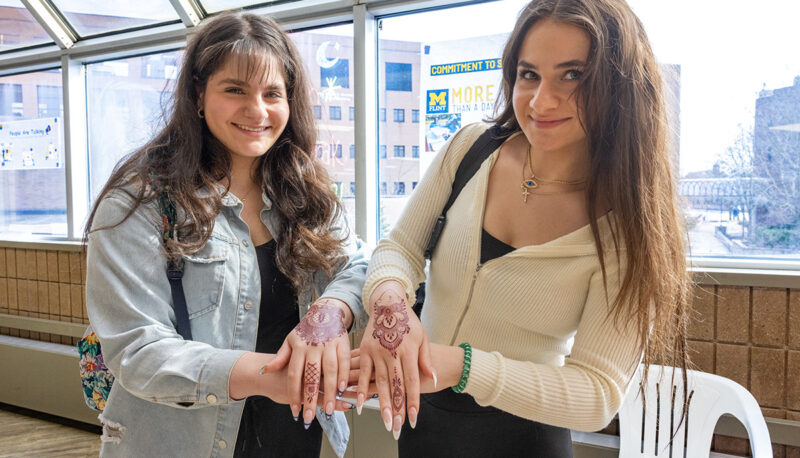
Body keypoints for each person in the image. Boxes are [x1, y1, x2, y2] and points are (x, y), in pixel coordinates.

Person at [354, 0, 692, 456]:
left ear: (619, 87)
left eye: (573, 75)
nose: (541, 100)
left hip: (524, 437)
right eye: (529, 74)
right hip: (422, 425)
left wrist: (460, 366)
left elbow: (596, 396)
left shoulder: (629, 226)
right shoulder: (471, 149)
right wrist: (389, 304)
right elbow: (400, 248)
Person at [84, 11, 367, 458]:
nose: (257, 110)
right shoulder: (138, 201)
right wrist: (271, 375)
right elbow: (139, 349)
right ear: (198, 93)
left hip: (293, 436)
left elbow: (360, 265)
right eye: (235, 90)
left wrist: (332, 309)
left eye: (273, 93)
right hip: (174, 443)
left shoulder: (306, 192)